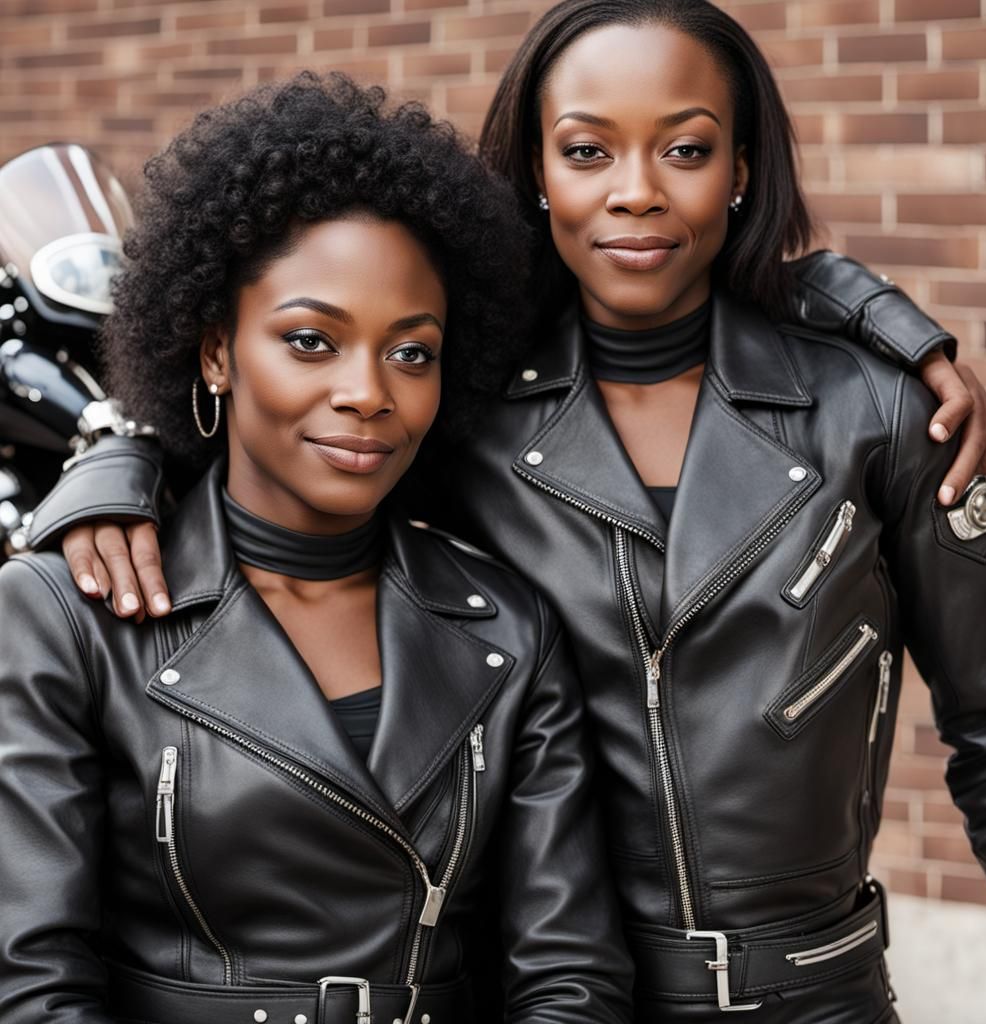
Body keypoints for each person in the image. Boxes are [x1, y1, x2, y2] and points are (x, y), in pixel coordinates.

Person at [25, 2, 986, 1021]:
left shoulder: (882, 409)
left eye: (685, 147)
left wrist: (865, 306)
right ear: (539, 174)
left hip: (816, 1002)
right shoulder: (467, 410)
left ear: (742, 168)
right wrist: (116, 465)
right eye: (587, 149)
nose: (635, 191)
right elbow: (263, 438)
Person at [0, 73, 636, 1024]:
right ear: (216, 351)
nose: (368, 392)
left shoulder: (509, 628)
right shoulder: (69, 613)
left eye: (411, 351)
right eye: (310, 341)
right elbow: (34, 985)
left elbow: (570, 977)